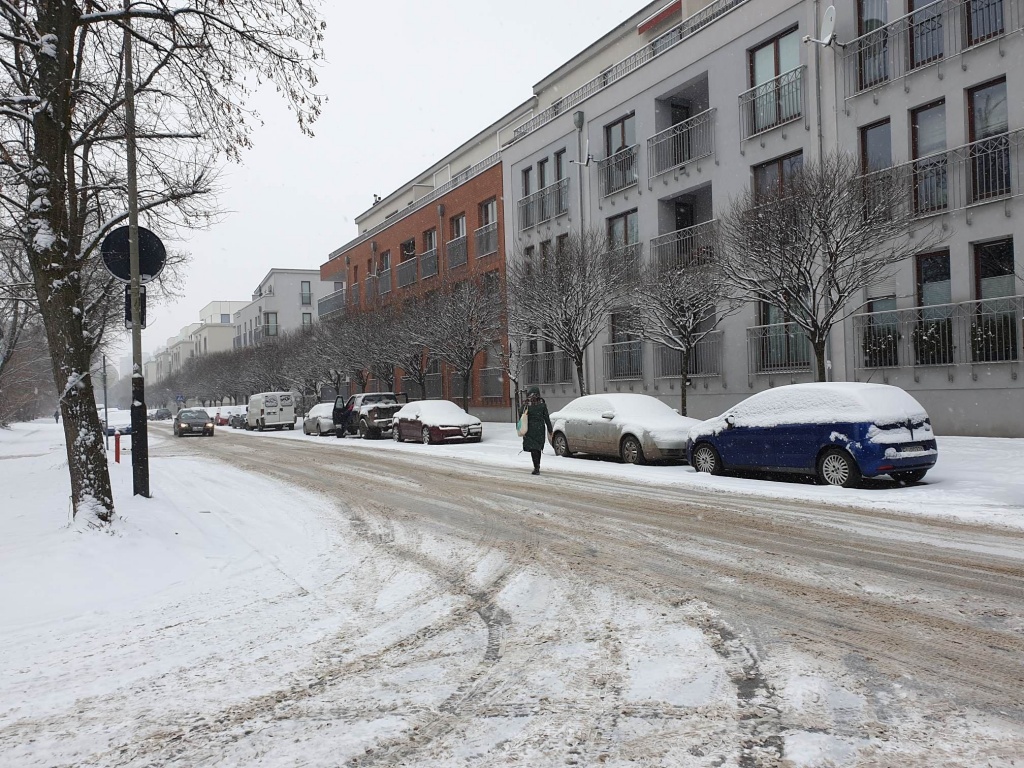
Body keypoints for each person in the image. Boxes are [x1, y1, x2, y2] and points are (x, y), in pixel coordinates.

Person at [522, 386, 552, 475]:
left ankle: (536, 467)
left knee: (533, 448)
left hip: (530, 429)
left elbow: (521, 415)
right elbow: (546, 418)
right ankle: (537, 465)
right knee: (538, 447)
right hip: (540, 429)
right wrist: (550, 430)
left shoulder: (527, 404)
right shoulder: (542, 404)